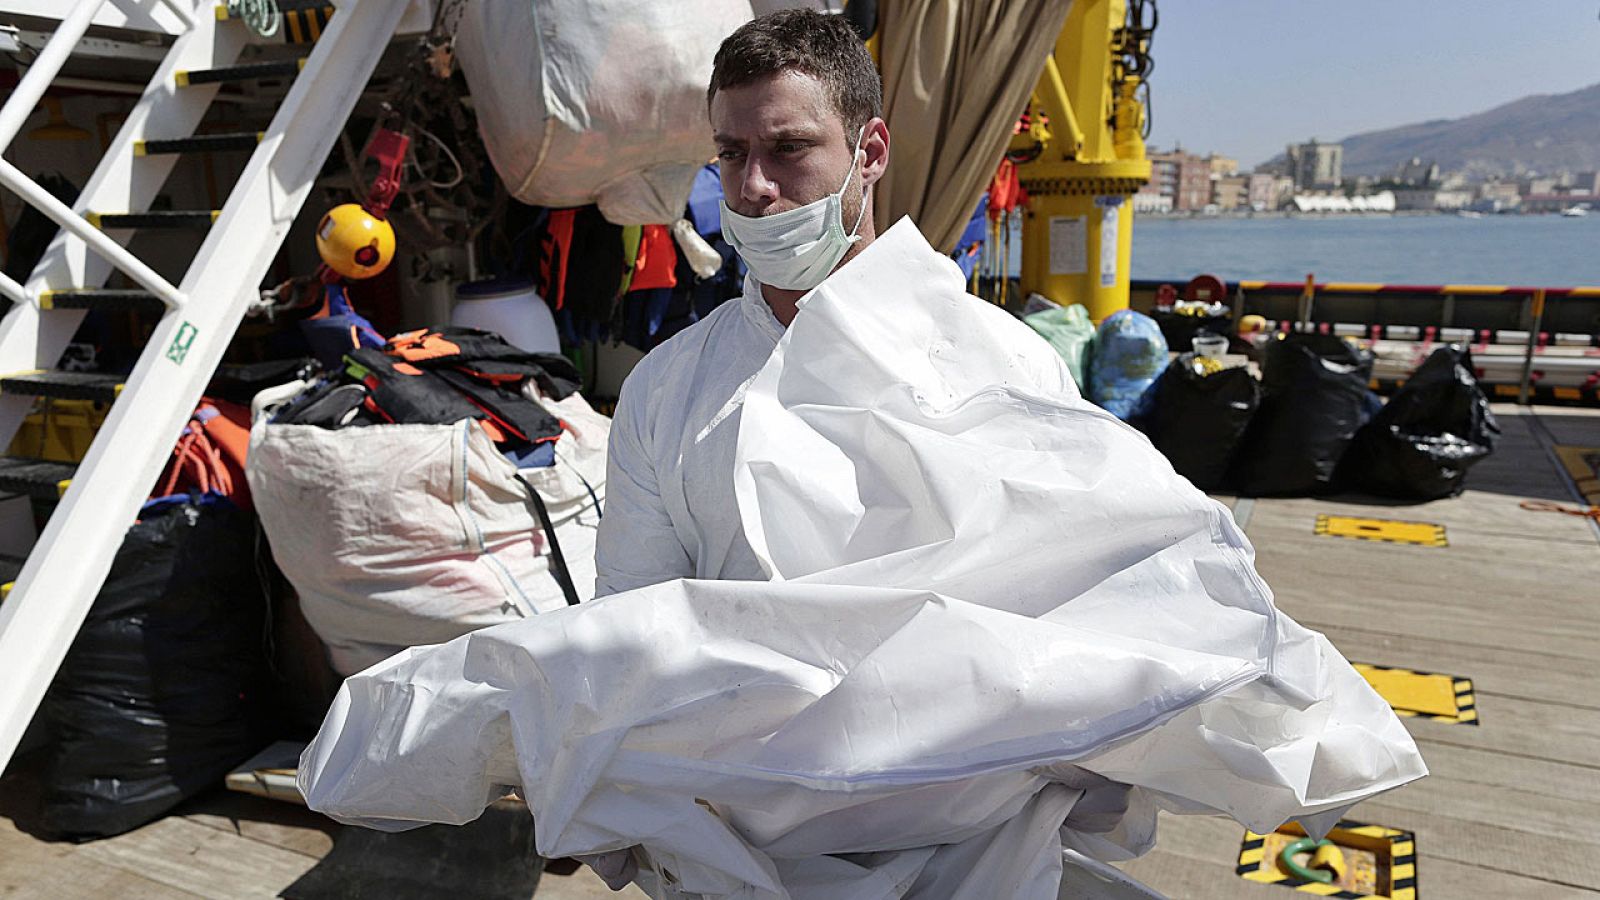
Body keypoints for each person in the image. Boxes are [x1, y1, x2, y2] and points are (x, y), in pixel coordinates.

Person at [592, 9, 891, 600]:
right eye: (732, 154)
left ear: (871, 153)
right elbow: (632, 619)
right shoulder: (664, 389)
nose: (755, 184)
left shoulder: (994, 366)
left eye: (789, 148)